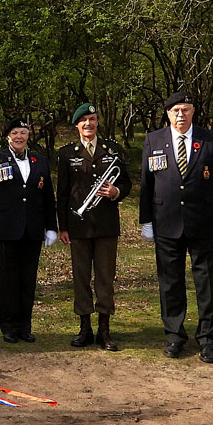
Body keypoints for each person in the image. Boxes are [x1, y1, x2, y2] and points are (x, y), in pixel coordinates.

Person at [139, 91, 213, 363]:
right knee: (170, 283)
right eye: (175, 110)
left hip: (202, 222)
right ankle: (174, 336)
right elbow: (146, 184)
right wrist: (146, 220)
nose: (180, 115)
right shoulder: (153, 140)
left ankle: (207, 338)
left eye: (185, 109)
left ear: (193, 112)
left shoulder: (210, 139)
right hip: (166, 222)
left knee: (207, 283)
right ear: (167, 113)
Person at [56, 103, 132, 351]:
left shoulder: (113, 149)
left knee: (105, 278)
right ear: (77, 125)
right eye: (84, 120)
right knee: (80, 278)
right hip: (78, 226)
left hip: (106, 225)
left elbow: (127, 183)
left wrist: (116, 191)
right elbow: (62, 193)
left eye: (92, 119)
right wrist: (63, 227)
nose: (88, 123)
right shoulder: (67, 153)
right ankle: (84, 328)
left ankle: (104, 331)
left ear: (97, 122)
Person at [0, 118, 58, 343]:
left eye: (23, 132)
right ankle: (9, 327)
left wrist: (51, 227)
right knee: (7, 280)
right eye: (15, 133)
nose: (19, 137)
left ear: (28, 136)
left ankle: (25, 327)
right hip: (4, 229)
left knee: (28, 280)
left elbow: (48, 197)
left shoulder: (39, 161)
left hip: (32, 230)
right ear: (7, 137)